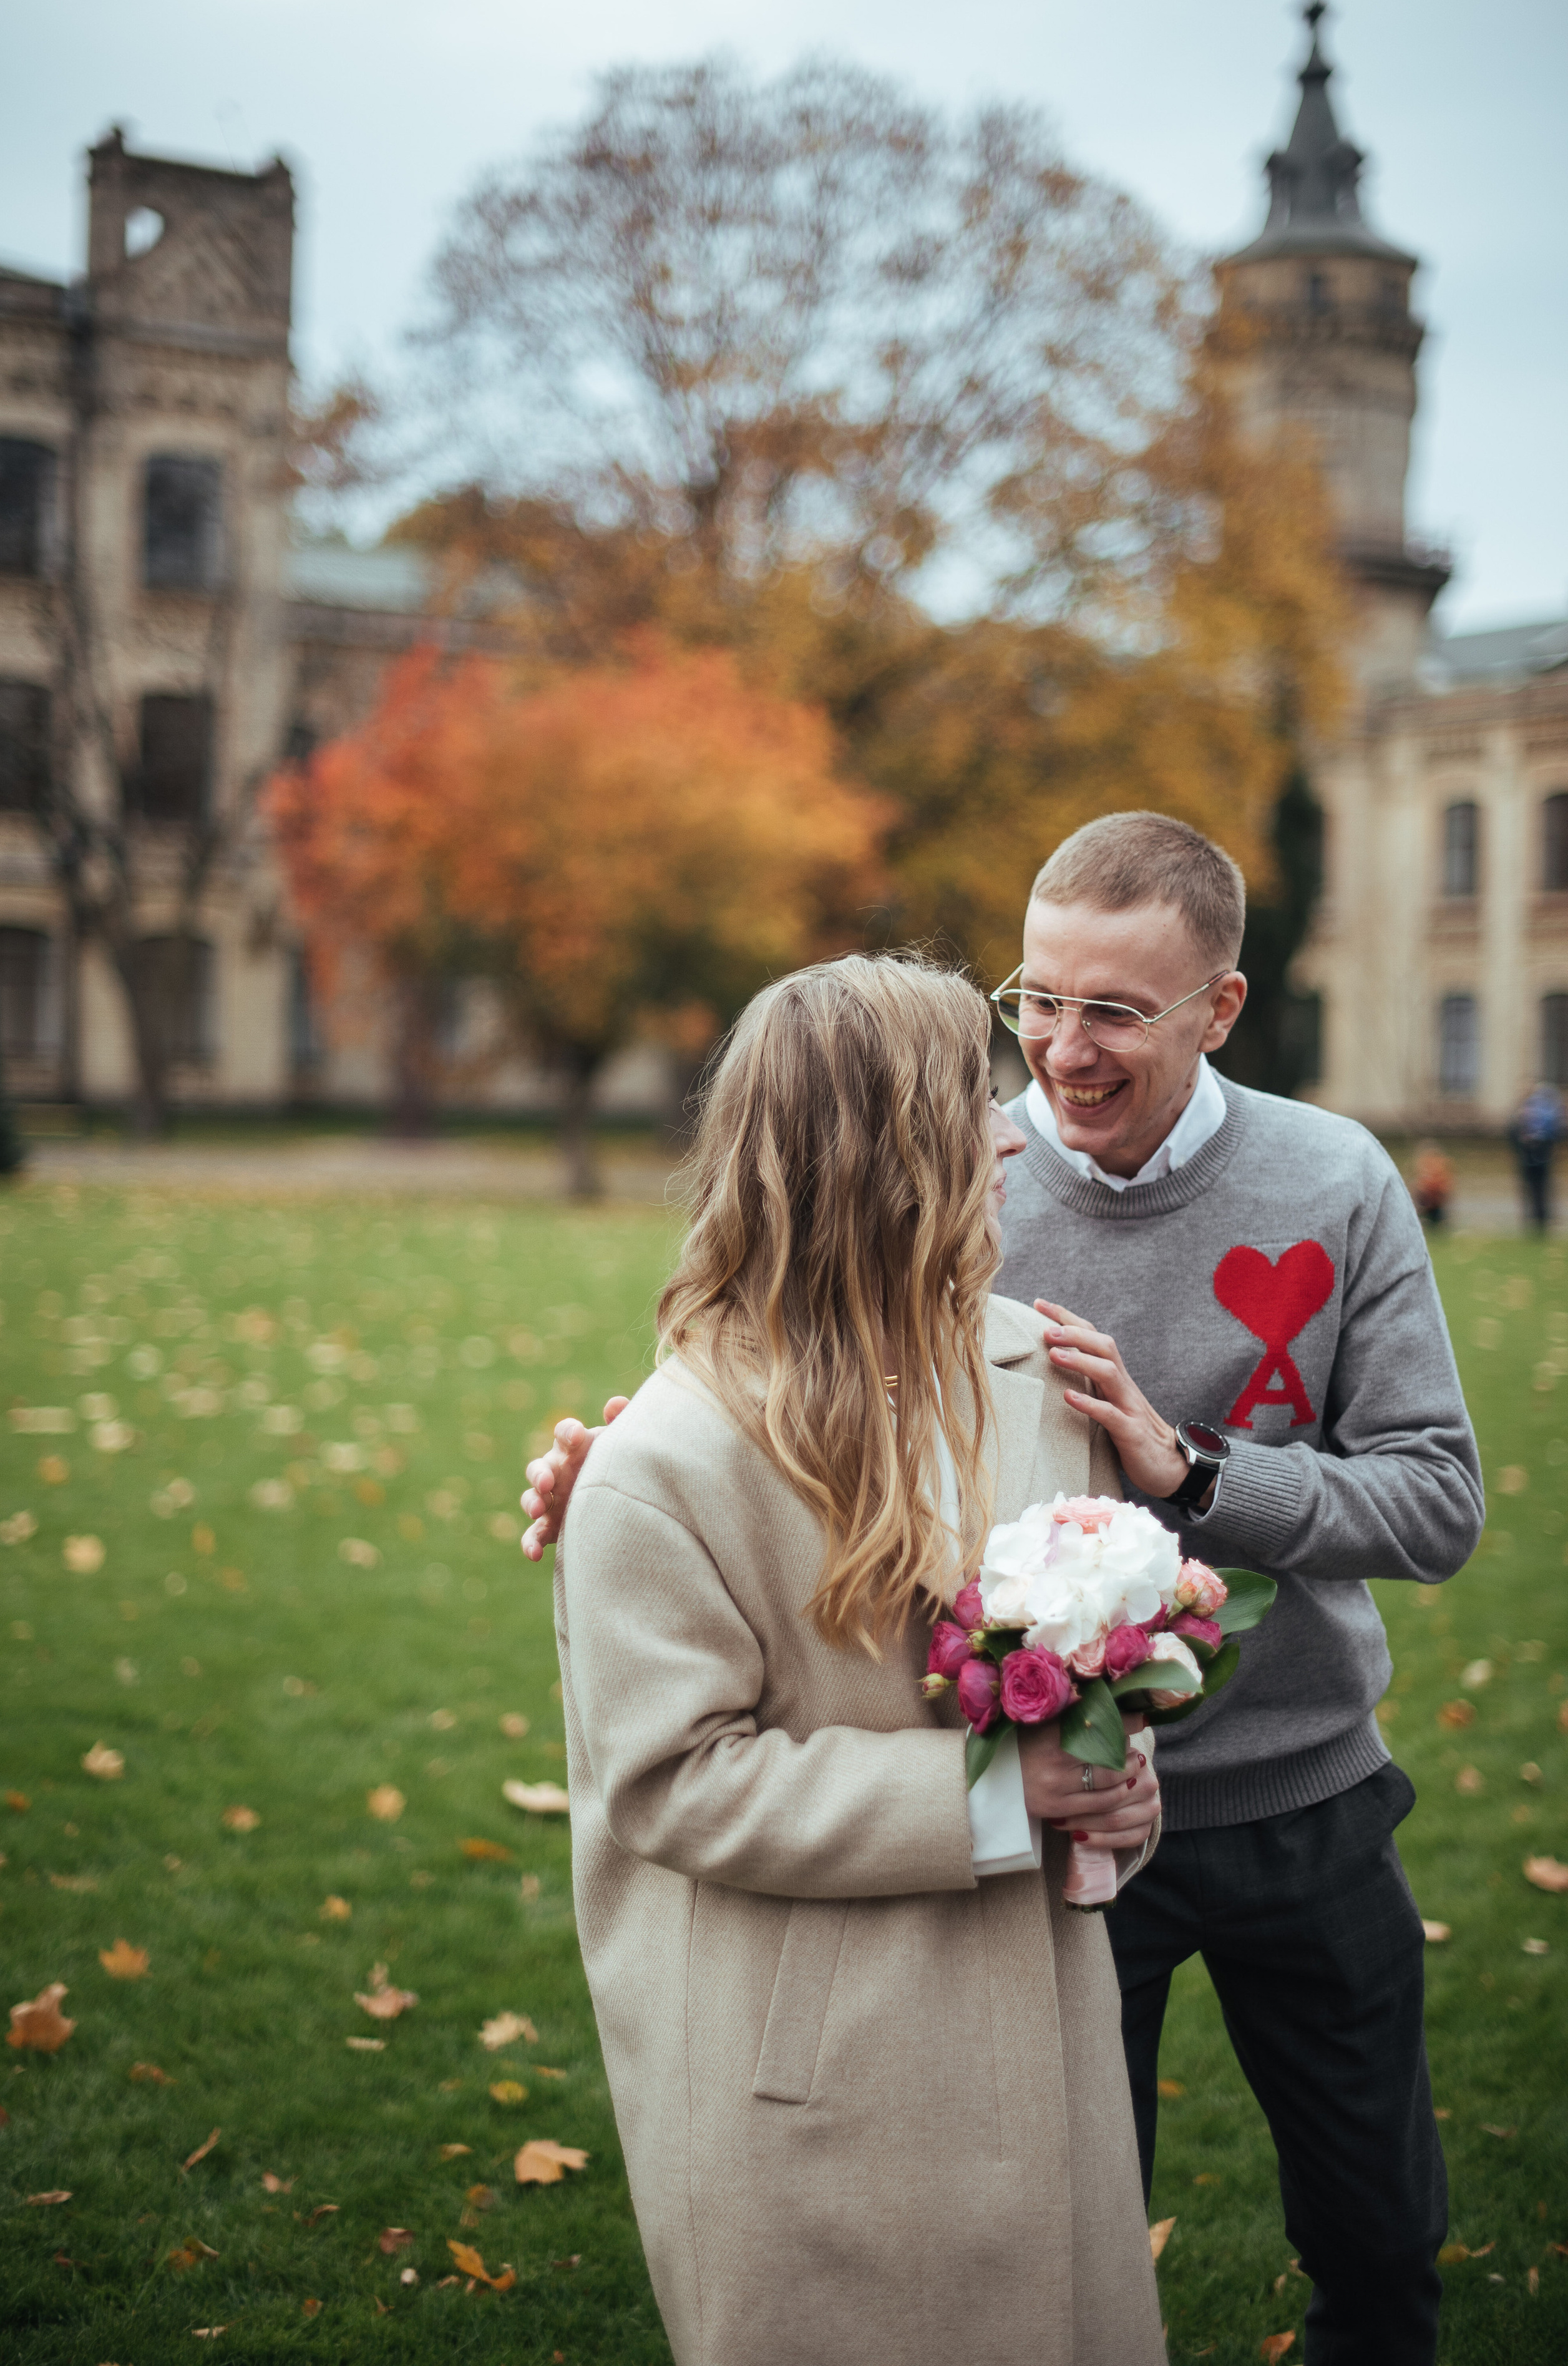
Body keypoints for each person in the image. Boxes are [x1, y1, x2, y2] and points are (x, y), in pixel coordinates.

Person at [527, 815, 1484, 2366]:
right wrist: (613, 1473)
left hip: (1290, 1790)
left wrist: (1191, 1475)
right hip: (1033, 1843)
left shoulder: (1330, 1177)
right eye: (1032, 1002)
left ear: (1216, 1010)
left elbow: (1436, 1499)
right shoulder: (961, 1169)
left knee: (1370, 2233)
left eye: (1111, 1010)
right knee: (1042, 2229)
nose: (1051, 1060)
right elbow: (775, 1353)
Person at [552, 954, 1166, 2366]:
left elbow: (1089, 1680)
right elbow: (671, 1784)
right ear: (876, 1151)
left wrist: (1121, 1790)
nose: (1013, 1128)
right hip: (817, 2076)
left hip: (1044, 2036)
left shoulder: (1038, 1376)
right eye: (974, 1099)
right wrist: (994, 1796)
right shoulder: (666, 1458)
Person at [1507, 1081, 1564, 1232]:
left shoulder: (1536, 1111)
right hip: (1533, 1155)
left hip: (1537, 1155)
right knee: (1537, 1187)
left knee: (1538, 1186)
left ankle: (1539, 1217)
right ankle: (1538, 1217)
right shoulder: (1537, 1111)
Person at [1410, 1141, 1454, 1230]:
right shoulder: (1423, 1176)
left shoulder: (1442, 1175)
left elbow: (1447, 1191)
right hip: (1425, 1208)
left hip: (1437, 1209)